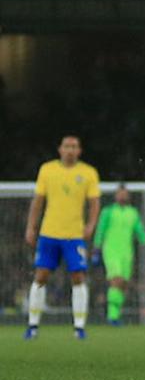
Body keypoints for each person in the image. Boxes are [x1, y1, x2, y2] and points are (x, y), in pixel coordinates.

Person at [24, 135, 101, 340]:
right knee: (41, 276)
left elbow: (94, 203)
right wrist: (31, 227)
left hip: (74, 235)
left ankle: (79, 327)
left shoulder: (88, 173)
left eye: (74, 146)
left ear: (79, 151)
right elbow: (38, 201)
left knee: (78, 277)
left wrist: (91, 225)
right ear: (60, 149)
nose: (70, 150)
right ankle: (32, 325)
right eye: (67, 146)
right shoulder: (47, 170)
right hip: (49, 233)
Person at [91, 184, 145, 326]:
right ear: (116, 195)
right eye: (120, 193)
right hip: (111, 251)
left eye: (124, 194)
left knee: (123, 285)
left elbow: (140, 231)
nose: (122, 196)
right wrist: (96, 249)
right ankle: (111, 316)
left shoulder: (132, 213)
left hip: (127, 253)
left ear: (128, 196)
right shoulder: (108, 212)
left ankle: (115, 315)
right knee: (116, 280)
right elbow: (100, 231)